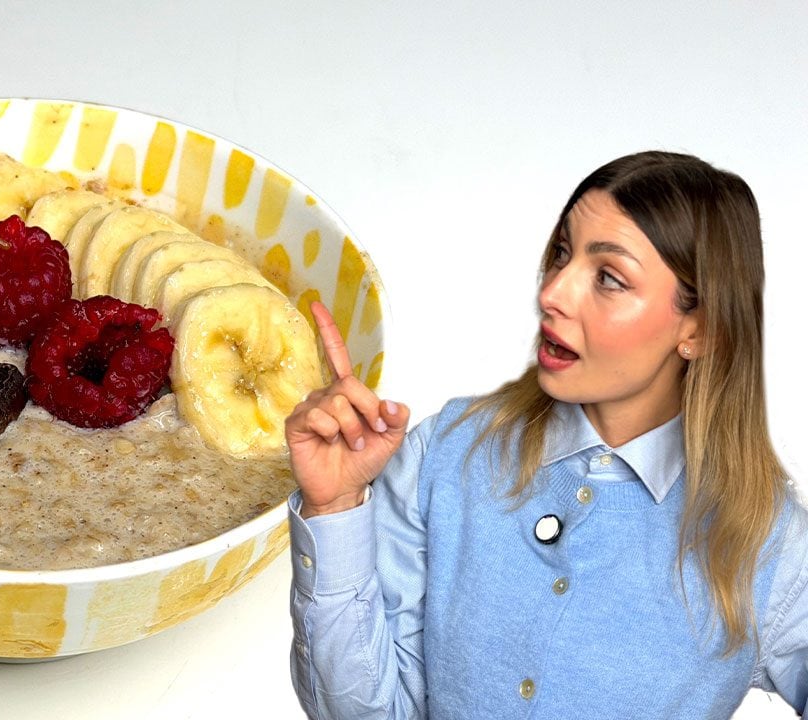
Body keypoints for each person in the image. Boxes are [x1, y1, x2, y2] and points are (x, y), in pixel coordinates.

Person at [285, 151, 808, 719]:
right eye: (562, 254)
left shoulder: (767, 544)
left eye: (608, 278)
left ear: (700, 329)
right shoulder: (447, 453)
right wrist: (334, 506)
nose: (553, 293)